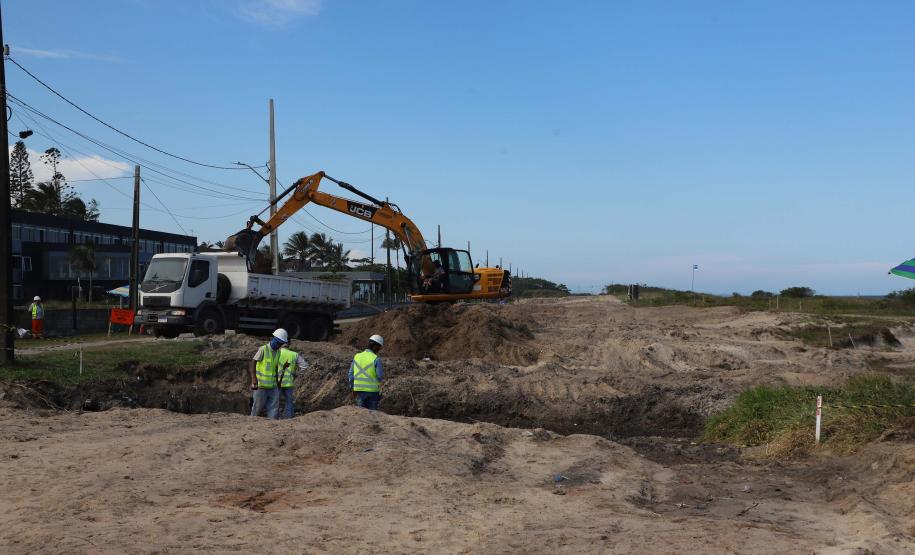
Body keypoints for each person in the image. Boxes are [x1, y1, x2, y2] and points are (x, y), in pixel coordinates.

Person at [248, 328, 288, 419]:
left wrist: (278, 383)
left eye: (281, 344)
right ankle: (251, 424)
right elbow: (253, 363)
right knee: (257, 408)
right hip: (261, 386)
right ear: (273, 339)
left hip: (273, 386)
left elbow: (276, 368)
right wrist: (254, 379)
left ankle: (271, 426)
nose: (279, 345)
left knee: (274, 408)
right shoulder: (263, 349)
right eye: (278, 343)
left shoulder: (278, 352)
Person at [349, 334, 384, 410]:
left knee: (362, 417)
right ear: (376, 346)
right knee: (373, 416)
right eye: (379, 347)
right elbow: (380, 376)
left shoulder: (357, 356)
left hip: (359, 391)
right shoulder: (376, 359)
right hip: (373, 392)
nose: (379, 350)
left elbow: (351, 375)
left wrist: (353, 388)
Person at [277, 342, 309, 419]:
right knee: (289, 402)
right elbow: (305, 366)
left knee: (275, 402)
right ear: (288, 345)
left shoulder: (276, 353)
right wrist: (296, 373)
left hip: (277, 383)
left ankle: (274, 418)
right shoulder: (294, 354)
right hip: (289, 383)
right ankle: (288, 418)